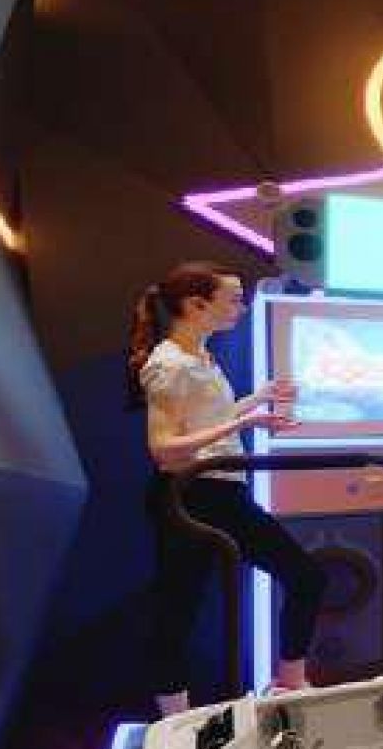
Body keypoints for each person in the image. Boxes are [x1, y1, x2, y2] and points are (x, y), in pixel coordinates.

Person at [131, 262, 324, 716]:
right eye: (233, 300)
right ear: (196, 305)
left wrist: (257, 401)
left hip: (221, 492)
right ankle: (176, 721)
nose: (241, 307)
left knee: (305, 577)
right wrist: (245, 421)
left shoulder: (199, 357)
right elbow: (163, 449)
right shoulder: (169, 364)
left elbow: (206, 422)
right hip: (190, 495)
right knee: (177, 612)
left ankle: (290, 684)